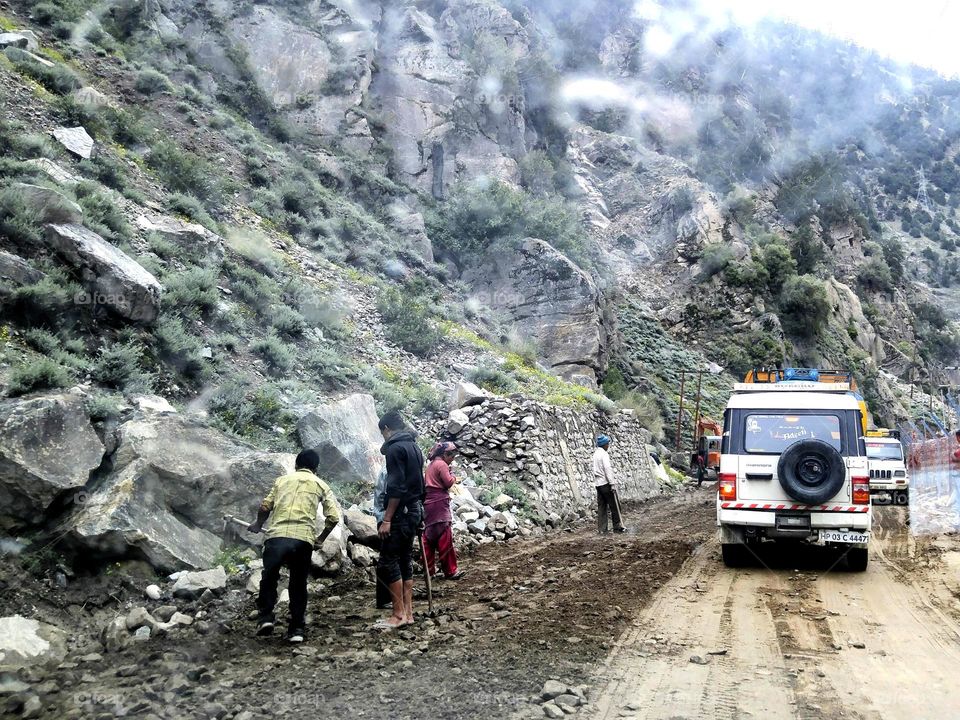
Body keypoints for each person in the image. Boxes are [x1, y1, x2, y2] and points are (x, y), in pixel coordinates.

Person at [247, 449, 341, 643]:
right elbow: (333, 517)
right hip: (302, 540)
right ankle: (296, 629)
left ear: (296, 465)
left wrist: (258, 525)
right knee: (298, 584)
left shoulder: (281, 481)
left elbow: (265, 506)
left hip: (276, 537)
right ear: (315, 469)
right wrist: (320, 538)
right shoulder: (321, 485)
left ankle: (265, 617)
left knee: (269, 577)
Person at [374, 411, 426, 630]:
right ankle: (408, 613)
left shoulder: (395, 449)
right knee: (404, 559)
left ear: (386, 429)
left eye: (382, 433)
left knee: (389, 559)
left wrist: (387, 518)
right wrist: (420, 514)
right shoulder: (415, 447)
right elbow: (421, 484)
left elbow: (396, 487)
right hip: (413, 510)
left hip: (400, 513)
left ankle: (397, 615)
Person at [423, 441, 465, 580]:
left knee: (429, 537)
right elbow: (448, 482)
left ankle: (430, 571)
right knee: (444, 536)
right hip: (439, 503)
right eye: (451, 455)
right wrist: (452, 475)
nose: (452, 458)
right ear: (445, 454)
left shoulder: (431, 465)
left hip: (429, 504)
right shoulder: (442, 465)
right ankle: (450, 570)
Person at [593, 435, 626, 534]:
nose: (608, 446)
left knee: (602, 507)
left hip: (598, 484)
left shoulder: (595, 454)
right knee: (614, 506)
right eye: (607, 444)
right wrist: (612, 483)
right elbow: (607, 469)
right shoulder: (604, 454)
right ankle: (618, 526)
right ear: (604, 445)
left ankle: (602, 529)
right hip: (606, 483)